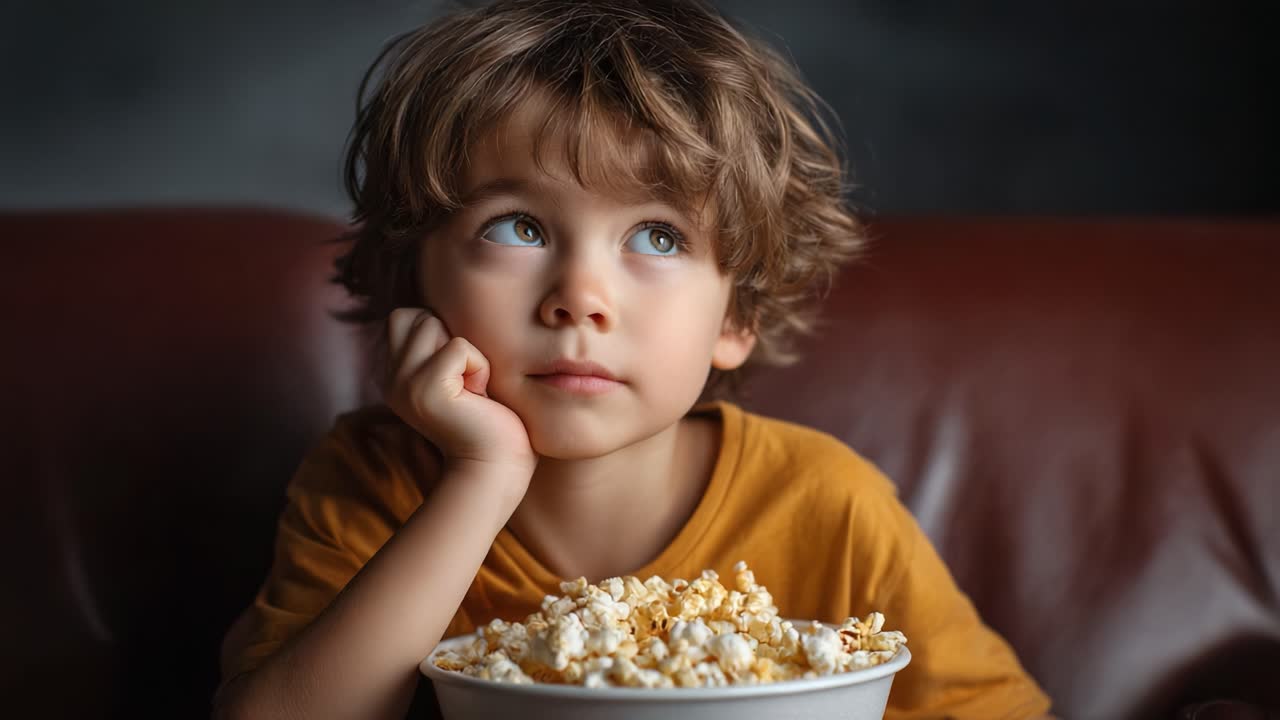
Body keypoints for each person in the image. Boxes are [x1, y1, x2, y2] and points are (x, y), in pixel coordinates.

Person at [213, 1, 1054, 718]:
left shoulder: (832, 509)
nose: (580, 296)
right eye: (518, 227)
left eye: (658, 236)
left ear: (739, 314)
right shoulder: (371, 483)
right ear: (415, 282)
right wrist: (481, 478)